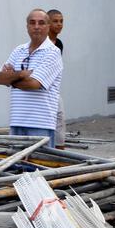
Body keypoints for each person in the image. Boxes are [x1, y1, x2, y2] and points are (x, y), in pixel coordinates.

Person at [0, 9, 63, 148]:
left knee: (40, 167)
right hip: (17, 122)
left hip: (40, 124)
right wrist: (21, 74)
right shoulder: (18, 50)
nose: (36, 26)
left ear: (48, 26)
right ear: (27, 26)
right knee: (16, 168)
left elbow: (33, 84)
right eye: (32, 23)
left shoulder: (53, 53)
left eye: (41, 23)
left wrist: (11, 78)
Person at [48, 9, 66, 150]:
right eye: (55, 21)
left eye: (61, 21)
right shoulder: (42, 43)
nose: (59, 24)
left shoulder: (58, 43)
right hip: (41, 88)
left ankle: (60, 151)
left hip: (53, 88)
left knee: (59, 118)